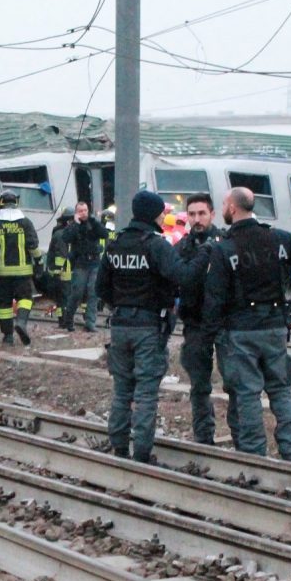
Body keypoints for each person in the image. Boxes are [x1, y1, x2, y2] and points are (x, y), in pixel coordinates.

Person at [201, 188, 291, 461]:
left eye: (223, 204)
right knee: (280, 391)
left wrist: (207, 337)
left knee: (248, 394)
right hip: (275, 324)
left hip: (240, 330)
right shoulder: (280, 238)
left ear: (232, 207)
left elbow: (214, 298)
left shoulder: (224, 248)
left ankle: (255, 458)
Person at [97, 190, 206, 463]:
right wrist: (205, 254)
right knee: (146, 392)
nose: (164, 216)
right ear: (153, 214)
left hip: (120, 325)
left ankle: (119, 447)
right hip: (148, 327)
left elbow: (101, 288)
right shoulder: (156, 245)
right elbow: (183, 276)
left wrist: (122, 306)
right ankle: (142, 453)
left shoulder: (116, 244)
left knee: (122, 389)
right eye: (161, 212)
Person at [176, 192, 228, 445]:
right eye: (192, 214)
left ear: (212, 214)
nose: (197, 219)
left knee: (234, 383)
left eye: (201, 214)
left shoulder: (225, 243)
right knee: (199, 385)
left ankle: (241, 437)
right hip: (195, 323)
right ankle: (203, 436)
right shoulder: (183, 246)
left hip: (225, 323)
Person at [0, 191, 41, 345]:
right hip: (23, 272)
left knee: (3, 305)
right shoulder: (25, 223)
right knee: (25, 299)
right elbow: (33, 246)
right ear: (16, 203)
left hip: (2, 273)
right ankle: (21, 322)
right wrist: (39, 262)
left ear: (1, 203)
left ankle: (8, 337)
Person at [61, 201, 105, 332]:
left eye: (85, 210)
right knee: (77, 293)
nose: (83, 213)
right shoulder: (73, 226)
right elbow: (66, 238)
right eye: (80, 211)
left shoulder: (93, 223)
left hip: (95, 262)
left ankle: (90, 322)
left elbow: (104, 234)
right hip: (80, 264)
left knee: (93, 292)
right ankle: (68, 320)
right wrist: (76, 224)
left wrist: (94, 221)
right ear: (76, 213)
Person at [46, 208, 74, 323]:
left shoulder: (59, 232)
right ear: (68, 221)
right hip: (63, 272)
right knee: (64, 298)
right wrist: (58, 272)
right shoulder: (62, 234)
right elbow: (61, 255)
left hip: (60, 271)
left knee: (60, 299)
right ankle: (64, 321)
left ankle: (62, 320)